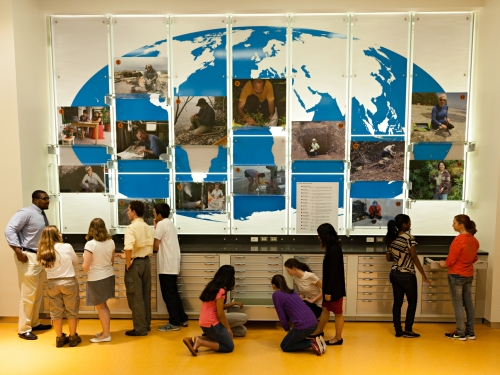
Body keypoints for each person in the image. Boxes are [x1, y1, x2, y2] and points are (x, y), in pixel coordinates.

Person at [4, 190, 52, 340]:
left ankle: (34, 322)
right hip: (28, 256)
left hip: (39, 257)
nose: (47, 201)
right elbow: (9, 229)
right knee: (27, 294)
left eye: (48, 199)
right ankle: (23, 329)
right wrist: (18, 251)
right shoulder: (26, 212)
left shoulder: (41, 214)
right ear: (36, 200)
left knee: (37, 293)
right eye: (44, 199)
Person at [385, 214, 430, 338]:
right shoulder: (409, 238)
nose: (410, 225)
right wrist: (423, 274)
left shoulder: (391, 238)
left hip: (394, 273)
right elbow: (414, 256)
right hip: (407, 275)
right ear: (404, 225)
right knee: (412, 302)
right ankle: (408, 330)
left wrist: (398, 255)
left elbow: (388, 258)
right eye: (409, 223)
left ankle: (398, 330)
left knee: (397, 303)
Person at [37, 226, 81, 347]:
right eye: (59, 233)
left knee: (56, 312)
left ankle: (59, 338)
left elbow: (42, 265)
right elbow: (76, 261)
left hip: (52, 284)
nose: (61, 234)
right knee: (71, 311)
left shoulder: (43, 250)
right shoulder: (66, 246)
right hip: (68, 282)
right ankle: (72, 337)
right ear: (56, 235)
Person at [440, 215, 480, 341]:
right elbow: (474, 258)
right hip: (468, 275)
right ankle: (470, 332)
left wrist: (443, 264)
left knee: (458, 304)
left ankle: (460, 332)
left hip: (456, 275)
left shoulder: (458, 240)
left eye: (454, 223)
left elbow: (451, 260)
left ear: (461, 225)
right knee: (468, 303)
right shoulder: (474, 240)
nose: (453, 225)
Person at [117, 200, 154, 336]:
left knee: (135, 297)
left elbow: (128, 247)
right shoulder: (147, 227)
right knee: (145, 295)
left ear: (134, 212)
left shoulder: (131, 228)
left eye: (128, 210)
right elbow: (146, 246)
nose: (127, 212)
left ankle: (140, 329)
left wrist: (128, 263)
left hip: (135, 264)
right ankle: (146, 324)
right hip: (146, 262)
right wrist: (129, 256)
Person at [182, 265, 235, 356]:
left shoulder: (212, 286)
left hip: (204, 323)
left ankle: (197, 338)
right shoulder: (221, 291)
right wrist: (228, 328)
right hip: (212, 324)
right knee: (229, 346)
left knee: (226, 339)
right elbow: (220, 314)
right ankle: (200, 342)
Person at [153, 203, 189, 332]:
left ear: (159, 214)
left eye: (154, 213)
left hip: (166, 265)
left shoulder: (161, 224)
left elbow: (155, 246)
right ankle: (182, 318)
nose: (153, 215)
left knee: (168, 295)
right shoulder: (170, 224)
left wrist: (155, 228)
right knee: (173, 293)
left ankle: (174, 322)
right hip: (173, 263)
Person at [310, 223, 346, 346]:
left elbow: (334, 272)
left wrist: (329, 291)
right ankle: (319, 330)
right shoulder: (331, 247)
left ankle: (338, 338)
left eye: (319, 234)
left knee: (338, 312)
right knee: (325, 309)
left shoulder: (335, 249)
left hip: (334, 288)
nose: (318, 237)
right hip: (329, 287)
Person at [271, 274, 324, 355]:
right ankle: (317, 341)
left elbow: (281, 315)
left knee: (284, 346)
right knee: (294, 339)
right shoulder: (292, 291)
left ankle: (311, 343)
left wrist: (287, 329)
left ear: (273, 285)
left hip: (303, 326)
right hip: (314, 323)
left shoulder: (276, 294)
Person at [82, 218, 115, 343]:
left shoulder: (90, 244)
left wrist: (83, 266)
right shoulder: (111, 242)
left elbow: (85, 266)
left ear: (91, 229)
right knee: (104, 305)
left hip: (97, 278)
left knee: (101, 307)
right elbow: (111, 262)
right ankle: (105, 331)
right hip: (108, 276)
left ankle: (106, 335)